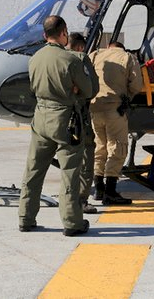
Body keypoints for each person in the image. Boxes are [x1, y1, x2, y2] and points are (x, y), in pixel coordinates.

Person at [18, 15, 93, 237]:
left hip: (40, 118)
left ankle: (25, 218)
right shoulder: (71, 60)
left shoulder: (34, 59)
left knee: (33, 170)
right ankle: (71, 222)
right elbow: (89, 91)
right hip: (65, 120)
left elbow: (33, 88)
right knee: (70, 171)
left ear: (44, 35)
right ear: (64, 33)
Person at [89, 40, 143, 205]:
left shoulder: (95, 55)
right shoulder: (128, 57)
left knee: (100, 147)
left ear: (109, 47)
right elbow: (137, 85)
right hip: (114, 109)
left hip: (93, 109)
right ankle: (111, 191)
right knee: (117, 147)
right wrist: (127, 97)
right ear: (122, 48)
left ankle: (98, 188)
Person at [66, 32, 99, 214]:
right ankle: (81, 200)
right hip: (78, 117)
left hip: (53, 117)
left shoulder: (48, 57)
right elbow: (92, 89)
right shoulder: (81, 59)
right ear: (79, 47)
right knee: (86, 155)